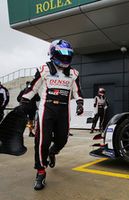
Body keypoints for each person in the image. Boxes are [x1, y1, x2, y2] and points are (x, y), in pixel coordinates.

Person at [20, 39, 84, 190]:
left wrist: (80, 103)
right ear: (53, 54)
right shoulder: (44, 69)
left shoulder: (74, 73)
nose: (65, 58)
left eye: (68, 56)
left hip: (63, 111)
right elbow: (33, 88)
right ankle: (41, 172)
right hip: (46, 110)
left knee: (62, 140)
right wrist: (24, 99)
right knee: (42, 141)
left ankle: (52, 152)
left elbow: (77, 91)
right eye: (62, 55)